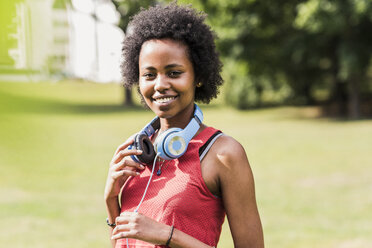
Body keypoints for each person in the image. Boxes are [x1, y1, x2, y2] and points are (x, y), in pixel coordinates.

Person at [104, 3, 264, 248]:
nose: (160, 84)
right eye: (149, 75)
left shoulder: (224, 154)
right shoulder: (135, 151)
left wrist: (169, 235)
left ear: (198, 76)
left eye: (174, 72)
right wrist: (111, 199)